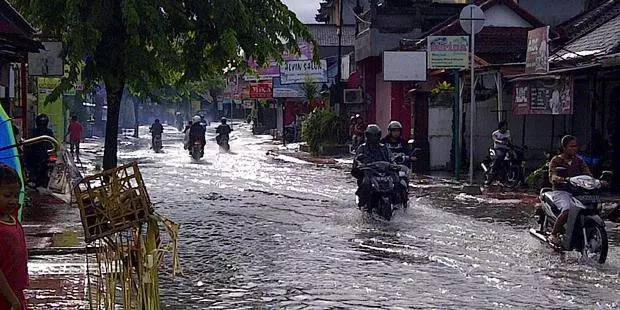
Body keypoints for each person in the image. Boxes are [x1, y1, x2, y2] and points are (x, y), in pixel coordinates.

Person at [548, 135, 592, 246]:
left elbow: (588, 174)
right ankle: (553, 234)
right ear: (564, 147)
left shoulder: (579, 161)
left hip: (577, 192)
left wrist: (597, 181)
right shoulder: (556, 160)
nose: (574, 148)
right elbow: (552, 174)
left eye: (576, 146)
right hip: (561, 191)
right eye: (571, 146)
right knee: (567, 209)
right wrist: (556, 178)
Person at [0, 164, 28, 310]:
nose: (13, 200)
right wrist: (12, 299)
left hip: (16, 292)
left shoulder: (11, 217)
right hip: (5, 296)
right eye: (7, 195)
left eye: (16, 195)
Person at [352, 124, 392, 208]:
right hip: (368, 173)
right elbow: (357, 161)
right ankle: (363, 203)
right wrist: (360, 164)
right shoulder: (362, 148)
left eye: (376, 136)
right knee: (366, 183)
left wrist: (394, 164)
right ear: (367, 136)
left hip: (382, 173)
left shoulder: (384, 147)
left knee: (396, 180)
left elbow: (391, 158)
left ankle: (398, 203)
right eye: (371, 136)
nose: (374, 138)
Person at [25, 114, 55, 188]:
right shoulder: (49, 132)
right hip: (44, 155)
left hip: (39, 156)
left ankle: (32, 178)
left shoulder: (34, 131)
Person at [486, 121, 512, 185]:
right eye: (504, 126)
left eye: (506, 126)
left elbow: (509, 140)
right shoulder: (495, 133)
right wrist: (500, 142)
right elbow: (495, 140)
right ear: (501, 126)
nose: (505, 127)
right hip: (497, 149)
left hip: (505, 149)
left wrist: (511, 145)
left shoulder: (507, 132)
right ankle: (490, 178)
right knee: (497, 160)